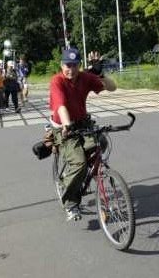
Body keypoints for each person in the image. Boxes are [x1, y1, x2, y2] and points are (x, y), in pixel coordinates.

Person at [49, 48, 117, 221]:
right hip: (64, 126)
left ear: (79, 66)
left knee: (101, 143)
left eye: (74, 65)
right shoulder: (57, 81)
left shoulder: (85, 77)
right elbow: (60, 106)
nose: (70, 69)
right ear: (61, 64)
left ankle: (86, 176)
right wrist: (67, 124)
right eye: (67, 65)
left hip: (83, 123)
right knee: (79, 162)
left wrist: (100, 73)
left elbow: (112, 88)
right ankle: (71, 202)